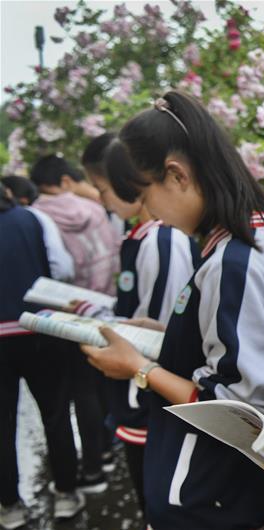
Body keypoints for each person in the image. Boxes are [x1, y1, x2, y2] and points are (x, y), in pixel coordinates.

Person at [81, 91, 264, 529]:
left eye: (146, 192)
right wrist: (168, 334)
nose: (154, 214)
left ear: (177, 175)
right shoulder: (247, 240)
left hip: (212, 495)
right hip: (219, 492)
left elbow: (243, 403)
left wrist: (138, 368)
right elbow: (232, 350)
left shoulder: (233, 259)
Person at [75, 133, 198, 513]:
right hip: (140, 390)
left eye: (104, 189)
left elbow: (162, 332)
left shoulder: (163, 241)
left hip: (149, 397)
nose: (102, 200)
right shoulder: (143, 238)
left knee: (157, 501)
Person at [30, 155, 120, 494]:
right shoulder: (95, 208)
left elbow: (60, 267)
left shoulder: (40, 214)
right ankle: (109, 451)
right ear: (65, 178)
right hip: (106, 305)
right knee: (103, 381)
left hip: (70, 312)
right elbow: (113, 249)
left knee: (79, 388)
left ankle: (93, 466)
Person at [0, 181, 84, 527]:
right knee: (55, 412)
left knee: (1, 424)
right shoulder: (33, 219)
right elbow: (61, 267)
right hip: (38, 330)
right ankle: (66, 493)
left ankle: (10, 505)